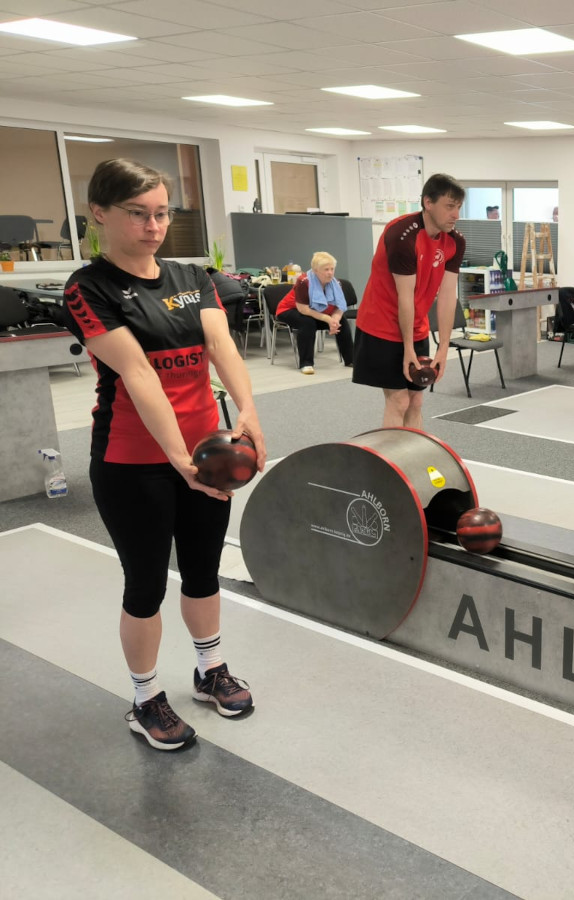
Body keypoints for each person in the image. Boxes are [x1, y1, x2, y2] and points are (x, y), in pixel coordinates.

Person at [63, 158, 266, 751]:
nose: (154, 227)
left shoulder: (188, 275)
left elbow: (220, 345)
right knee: (145, 582)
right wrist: (179, 459)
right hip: (134, 462)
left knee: (204, 571)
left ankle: (210, 672)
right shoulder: (89, 287)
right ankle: (145, 697)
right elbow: (137, 373)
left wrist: (248, 412)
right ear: (99, 213)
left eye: (162, 214)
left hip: (208, 449)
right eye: (138, 214)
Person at [352, 173, 465, 430]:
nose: (456, 214)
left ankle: (412, 462)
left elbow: (447, 296)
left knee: (416, 400)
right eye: (449, 206)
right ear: (428, 202)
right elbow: (406, 297)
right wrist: (408, 350)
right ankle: (390, 466)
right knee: (399, 400)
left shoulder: (455, 242)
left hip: (416, 325)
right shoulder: (402, 234)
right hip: (380, 325)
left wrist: (444, 348)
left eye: (458, 207)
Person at [274, 251, 354, 374]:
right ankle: (306, 364)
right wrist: (328, 319)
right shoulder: (303, 281)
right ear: (316, 270)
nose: (330, 273)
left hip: (316, 313)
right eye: (326, 269)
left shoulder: (336, 283)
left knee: (342, 321)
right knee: (307, 322)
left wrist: (335, 321)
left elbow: (339, 307)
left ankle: (351, 360)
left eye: (332, 269)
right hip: (289, 310)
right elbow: (303, 309)